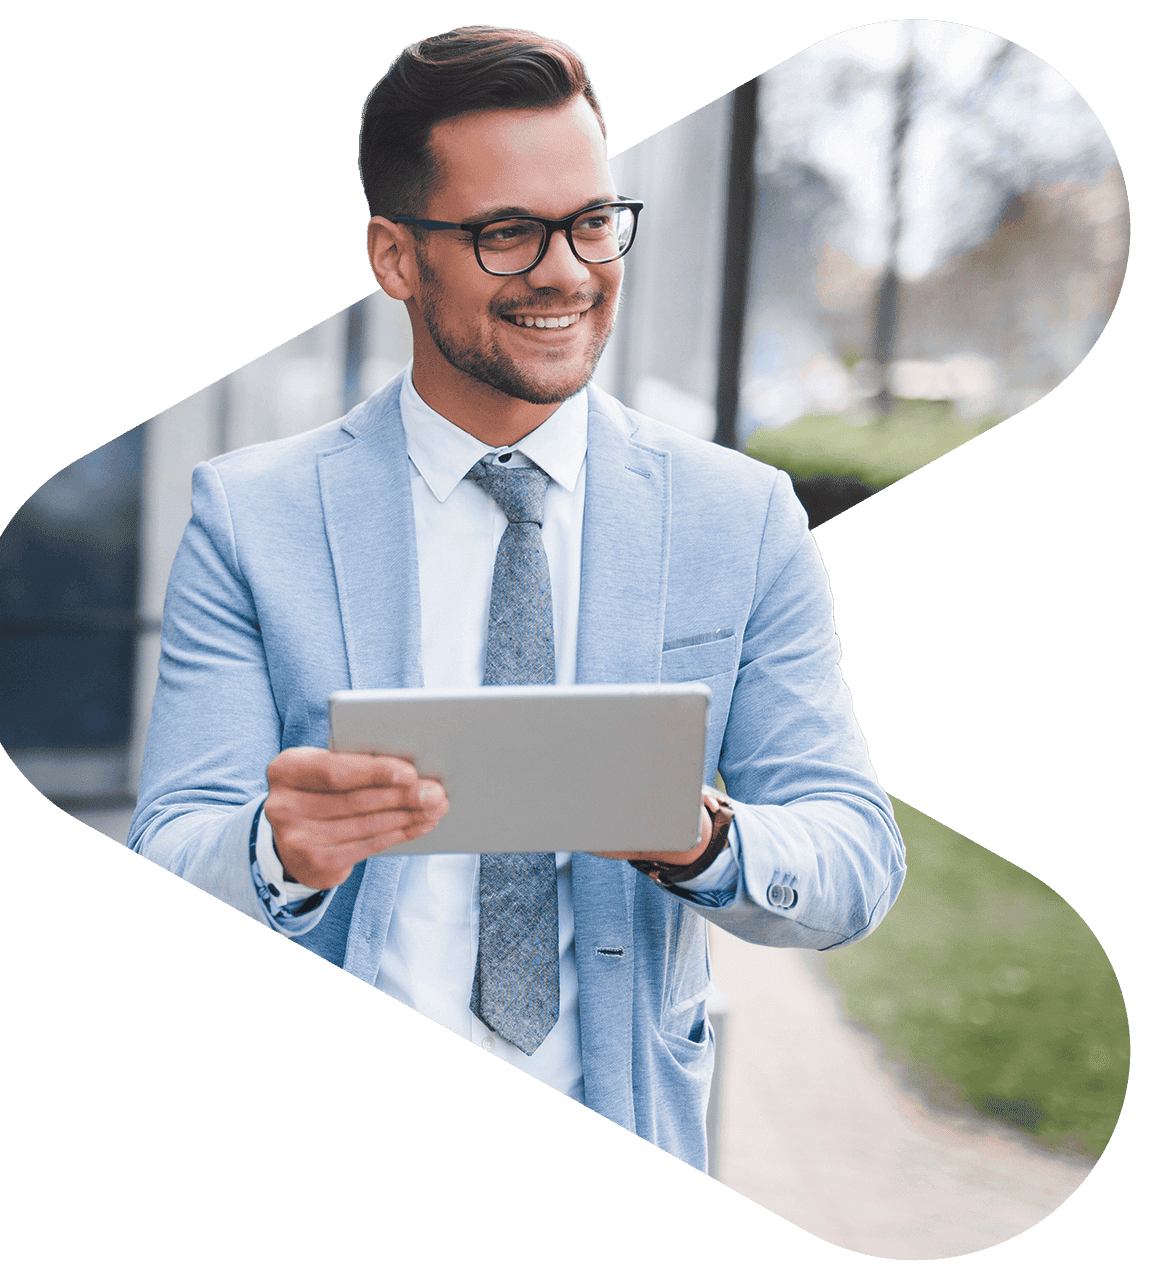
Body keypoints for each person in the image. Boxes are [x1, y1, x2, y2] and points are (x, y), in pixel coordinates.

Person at [129, 25, 905, 1172]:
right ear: (396, 258)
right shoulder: (252, 517)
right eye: (507, 233)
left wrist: (700, 839)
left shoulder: (737, 518)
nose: (566, 271)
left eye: (592, 221)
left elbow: (853, 859)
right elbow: (171, 854)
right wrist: (277, 850)